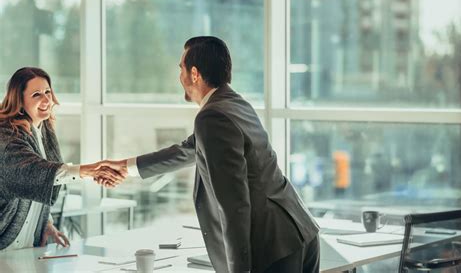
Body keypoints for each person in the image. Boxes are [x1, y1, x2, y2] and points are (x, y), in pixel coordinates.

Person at [100, 37, 320, 273]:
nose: (179, 77)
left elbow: (233, 202)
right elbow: (188, 150)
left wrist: (239, 269)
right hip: (299, 231)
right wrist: (126, 166)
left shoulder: (212, 117)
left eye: (180, 68)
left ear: (194, 74)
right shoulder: (233, 103)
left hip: (272, 246)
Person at [0, 67, 122, 251]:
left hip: (25, 246)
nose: (46, 99)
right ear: (19, 100)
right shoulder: (6, 135)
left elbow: (41, 186)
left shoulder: (44, 130)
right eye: (36, 94)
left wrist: (46, 224)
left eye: (48, 91)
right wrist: (86, 170)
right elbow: (33, 172)